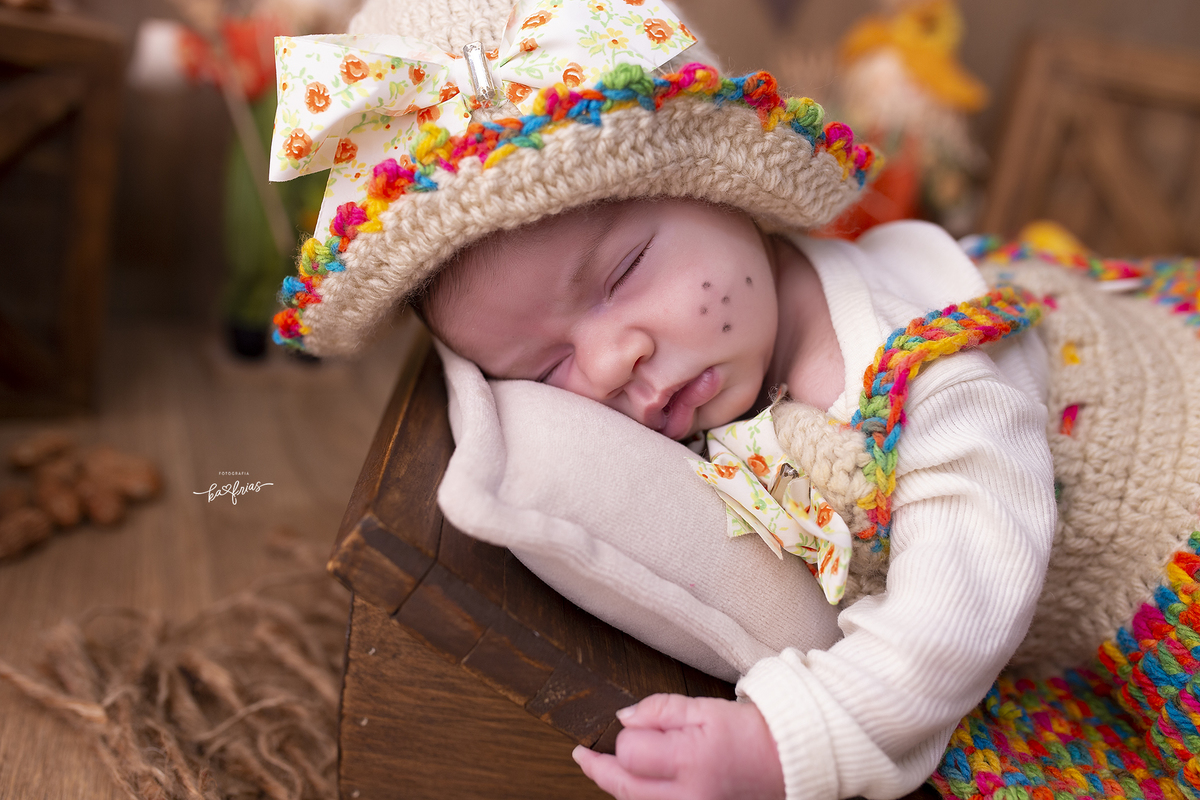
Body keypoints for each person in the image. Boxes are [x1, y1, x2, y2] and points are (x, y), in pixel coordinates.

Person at [267, 1, 1200, 797]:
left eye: (625, 271)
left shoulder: (913, 360)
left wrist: (793, 741)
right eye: (544, 370)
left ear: (724, 192)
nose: (608, 362)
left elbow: (968, 592)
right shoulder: (727, 346)